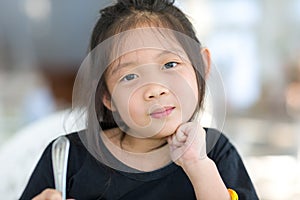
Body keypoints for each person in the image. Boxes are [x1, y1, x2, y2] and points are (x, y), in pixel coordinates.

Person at [20, 0, 258, 199]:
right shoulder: (66, 157)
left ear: (202, 66)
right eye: (130, 76)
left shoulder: (215, 153)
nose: (154, 89)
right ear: (106, 95)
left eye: (170, 64)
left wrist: (197, 165)